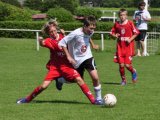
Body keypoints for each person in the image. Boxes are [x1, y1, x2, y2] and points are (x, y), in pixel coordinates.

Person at [16, 21, 100, 105]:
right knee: (43, 86)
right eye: (51, 32)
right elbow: (42, 43)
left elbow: (80, 37)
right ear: (48, 33)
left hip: (67, 66)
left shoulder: (63, 37)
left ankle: (93, 101)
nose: (53, 33)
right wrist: (40, 40)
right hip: (55, 67)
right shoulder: (49, 41)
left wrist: (91, 45)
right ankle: (27, 99)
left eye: (55, 30)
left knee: (79, 79)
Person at [58, 16, 102, 103]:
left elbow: (88, 37)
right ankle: (59, 80)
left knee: (95, 77)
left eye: (93, 28)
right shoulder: (75, 33)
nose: (92, 30)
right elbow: (62, 43)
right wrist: (68, 56)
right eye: (90, 28)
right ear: (84, 26)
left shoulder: (90, 31)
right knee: (74, 80)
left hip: (87, 57)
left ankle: (99, 99)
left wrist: (93, 45)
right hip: (76, 60)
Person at [110, 9, 139, 85]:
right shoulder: (117, 24)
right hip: (120, 47)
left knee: (127, 65)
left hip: (128, 47)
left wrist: (130, 39)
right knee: (121, 65)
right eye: (121, 15)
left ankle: (133, 71)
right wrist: (114, 35)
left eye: (124, 15)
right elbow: (112, 33)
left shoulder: (130, 23)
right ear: (119, 16)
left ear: (126, 16)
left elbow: (136, 33)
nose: (122, 17)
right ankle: (123, 80)